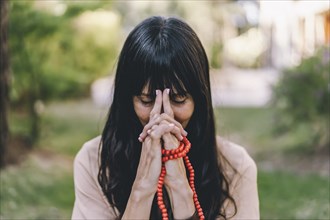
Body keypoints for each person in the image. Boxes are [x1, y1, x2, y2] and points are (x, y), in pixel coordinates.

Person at [72, 16, 259, 220]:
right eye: (147, 100)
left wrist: (181, 189)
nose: (163, 116)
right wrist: (142, 190)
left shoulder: (236, 167)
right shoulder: (93, 162)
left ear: (200, 100)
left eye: (178, 99)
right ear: (128, 100)